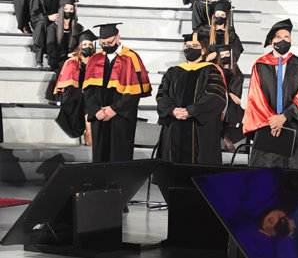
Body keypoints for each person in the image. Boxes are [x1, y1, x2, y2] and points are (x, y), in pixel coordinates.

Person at [243, 19, 298, 171]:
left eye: (286, 37)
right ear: (271, 42)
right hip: (267, 125)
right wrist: (273, 120)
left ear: (291, 40)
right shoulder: (260, 65)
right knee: (264, 174)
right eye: (279, 37)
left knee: (294, 174)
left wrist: (285, 116)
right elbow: (256, 97)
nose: (283, 40)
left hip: (295, 124)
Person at [83, 23, 152, 162]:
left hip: (121, 116)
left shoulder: (131, 58)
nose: (106, 46)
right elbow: (88, 90)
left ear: (118, 38)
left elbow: (134, 92)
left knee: (119, 156)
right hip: (99, 116)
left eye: (109, 42)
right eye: (103, 43)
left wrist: (114, 109)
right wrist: (96, 110)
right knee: (100, 157)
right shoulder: (95, 59)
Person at [156, 32, 227, 165]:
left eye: (194, 46)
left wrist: (191, 111)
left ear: (203, 50)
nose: (189, 49)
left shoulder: (211, 71)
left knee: (198, 168)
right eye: (187, 46)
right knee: (172, 167)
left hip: (199, 127)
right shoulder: (173, 71)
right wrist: (172, 110)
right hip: (174, 125)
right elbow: (162, 95)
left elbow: (215, 96)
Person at [53, 30, 97, 143]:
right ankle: (89, 132)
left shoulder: (97, 61)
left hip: (92, 92)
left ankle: (89, 132)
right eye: (85, 44)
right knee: (85, 99)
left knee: (91, 98)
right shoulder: (72, 62)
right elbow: (67, 86)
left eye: (90, 45)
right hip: (75, 94)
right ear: (79, 46)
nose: (87, 47)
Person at [29, 0, 74, 68]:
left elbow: (71, 9)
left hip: (59, 21)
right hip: (41, 21)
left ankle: (59, 59)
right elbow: (34, 13)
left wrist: (61, 18)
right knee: (42, 24)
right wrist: (48, 17)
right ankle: (39, 58)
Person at [217, 45, 246, 148]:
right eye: (222, 55)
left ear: (231, 55)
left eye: (227, 54)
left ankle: (227, 137)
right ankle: (225, 137)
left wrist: (226, 91)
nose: (225, 57)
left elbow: (237, 99)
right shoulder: (216, 72)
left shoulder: (237, 74)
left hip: (231, 106)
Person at [45, 0, 82, 71]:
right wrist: (66, 56)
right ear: (61, 10)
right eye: (66, 9)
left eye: (71, 9)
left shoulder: (78, 27)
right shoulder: (53, 28)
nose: (68, 11)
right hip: (57, 60)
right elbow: (51, 49)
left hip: (73, 58)